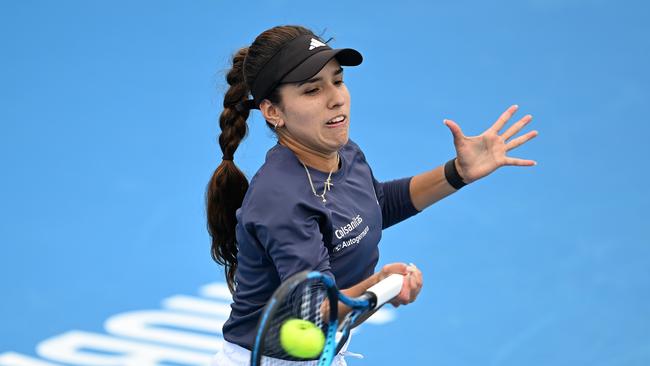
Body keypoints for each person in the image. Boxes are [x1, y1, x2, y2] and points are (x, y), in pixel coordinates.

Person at [206, 25, 537, 365]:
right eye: (311, 90)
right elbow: (312, 312)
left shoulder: (344, 153)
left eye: (337, 80)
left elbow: (375, 204)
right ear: (273, 112)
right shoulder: (281, 199)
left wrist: (457, 173)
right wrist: (379, 287)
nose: (336, 97)